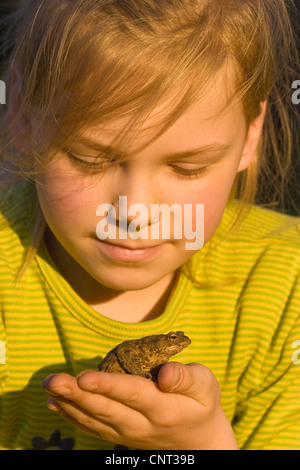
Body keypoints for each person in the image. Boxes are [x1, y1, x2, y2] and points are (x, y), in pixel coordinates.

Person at [0, 0, 299, 450]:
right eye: (90, 159)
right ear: (22, 112)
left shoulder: (287, 286)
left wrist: (202, 444)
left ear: (250, 135)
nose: (134, 212)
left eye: (187, 167)